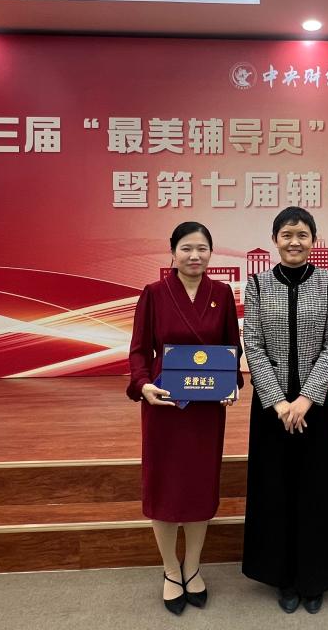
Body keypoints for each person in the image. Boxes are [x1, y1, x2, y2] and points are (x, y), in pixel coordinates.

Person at [127, 221, 242, 615]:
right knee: (165, 486)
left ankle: (192, 566)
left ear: (211, 253)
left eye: (202, 249)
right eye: (187, 248)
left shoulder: (221, 293)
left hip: (206, 410)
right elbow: (139, 350)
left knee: (199, 485)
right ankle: (170, 568)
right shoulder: (154, 293)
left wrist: (231, 384)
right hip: (165, 405)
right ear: (173, 251)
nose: (195, 256)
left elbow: (232, 347)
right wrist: (142, 385)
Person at [241, 206, 328, 615]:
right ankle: (282, 576)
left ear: (313, 240)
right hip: (272, 408)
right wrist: (279, 401)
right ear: (275, 240)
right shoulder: (257, 284)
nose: (294, 242)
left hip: (315, 406)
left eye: (302, 235)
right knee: (274, 489)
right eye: (286, 235)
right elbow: (253, 344)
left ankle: (314, 577)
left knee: (316, 490)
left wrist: (306, 398)